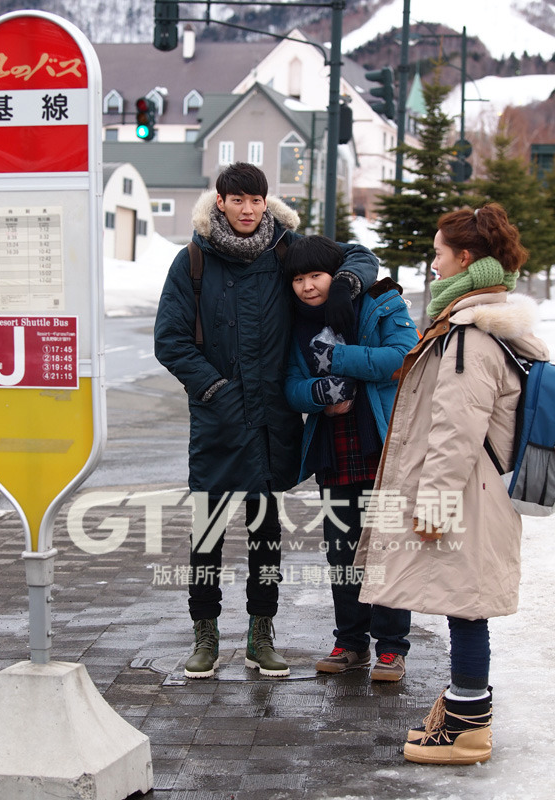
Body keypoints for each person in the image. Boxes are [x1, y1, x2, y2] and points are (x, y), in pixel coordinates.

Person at [154, 163, 379, 679]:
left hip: (274, 419)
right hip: (216, 418)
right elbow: (170, 340)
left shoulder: (285, 250)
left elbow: (360, 257)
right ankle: (205, 635)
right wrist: (214, 389)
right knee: (206, 532)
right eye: (238, 201)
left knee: (265, 532)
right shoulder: (192, 261)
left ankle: (261, 633)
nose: (249, 210)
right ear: (221, 201)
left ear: (265, 201)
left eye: (256, 200)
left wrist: (345, 281)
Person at [355, 203, 550, 763]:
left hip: (465, 493)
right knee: (463, 599)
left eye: (439, 252)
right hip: (481, 491)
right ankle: (467, 711)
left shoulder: (469, 339)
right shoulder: (489, 330)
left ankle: (467, 722)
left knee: (465, 602)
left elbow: (454, 430)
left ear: (465, 259)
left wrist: (434, 502)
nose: (433, 262)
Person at [283, 235, 419, 680]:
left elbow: (403, 357)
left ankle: (392, 647)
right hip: (334, 451)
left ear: (337, 275)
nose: (306, 286)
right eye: (298, 278)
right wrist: (318, 394)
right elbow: (290, 384)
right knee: (342, 553)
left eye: (314, 275)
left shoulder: (381, 302)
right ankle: (350, 641)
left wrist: (338, 358)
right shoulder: (296, 322)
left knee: (386, 548)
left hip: (382, 446)